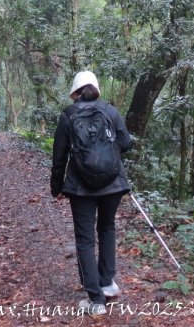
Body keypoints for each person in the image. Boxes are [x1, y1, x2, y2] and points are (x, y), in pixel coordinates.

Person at [50, 71, 134, 316]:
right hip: (113, 185)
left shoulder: (68, 115)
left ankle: (96, 300)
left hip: (80, 188)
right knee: (107, 229)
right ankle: (107, 283)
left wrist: (56, 187)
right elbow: (127, 143)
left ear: (75, 93)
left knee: (85, 239)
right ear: (96, 89)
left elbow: (59, 156)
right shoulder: (110, 111)